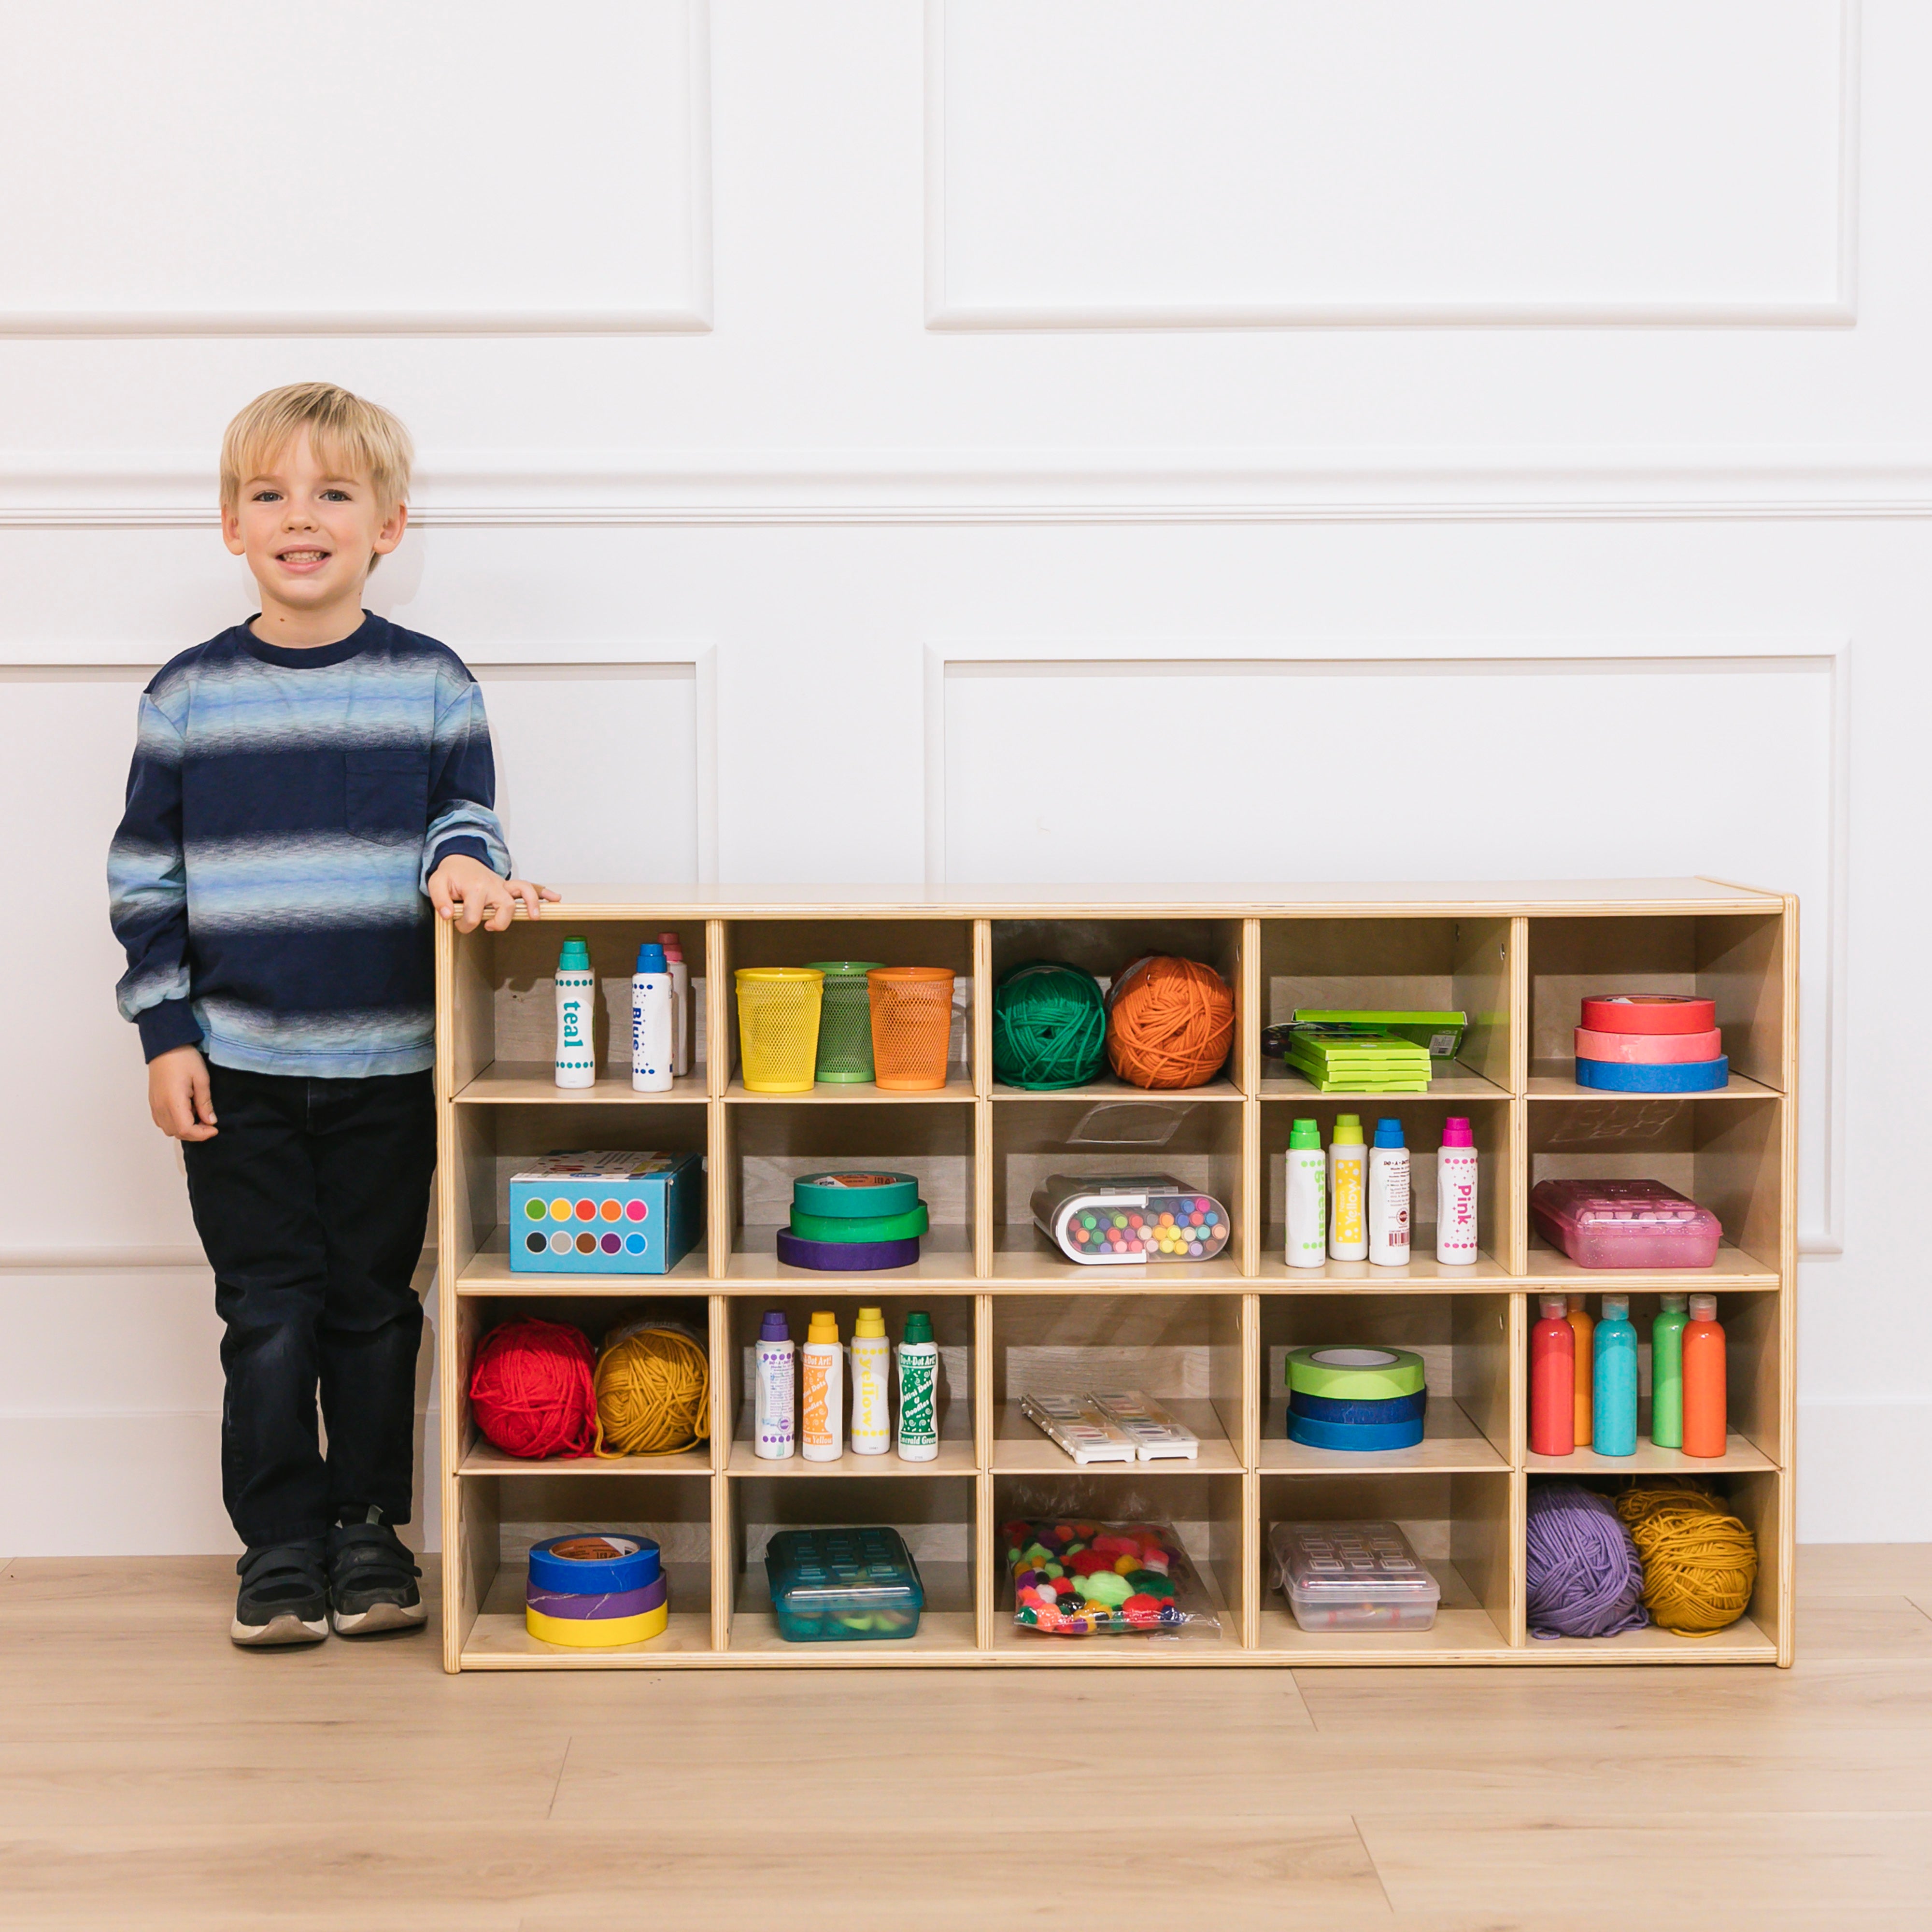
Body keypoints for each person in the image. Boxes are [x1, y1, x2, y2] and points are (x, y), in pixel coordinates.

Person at [107, 382, 554, 1646]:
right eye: (270, 494)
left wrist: (463, 865)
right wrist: (166, 1032)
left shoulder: (430, 685)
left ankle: (371, 1535)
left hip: (387, 1068)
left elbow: (465, 818)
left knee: (371, 1304)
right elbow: (147, 880)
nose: (301, 518)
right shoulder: (188, 697)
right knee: (268, 1313)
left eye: (334, 494)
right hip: (235, 1070)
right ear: (232, 525)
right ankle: (280, 1549)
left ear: (389, 526)